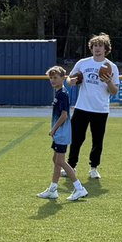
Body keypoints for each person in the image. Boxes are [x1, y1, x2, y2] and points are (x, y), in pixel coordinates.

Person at [66, 33, 120, 181]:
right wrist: (71, 81)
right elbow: (70, 78)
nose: (97, 48)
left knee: (97, 140)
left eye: (100, 46)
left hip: (100, 109)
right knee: (76, 138)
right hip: (82, 107)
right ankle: (71, 166)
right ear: (91, 48)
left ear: (106, 49)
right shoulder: (83, 63)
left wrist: (109, 82)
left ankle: (94, 168)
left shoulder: (111, 67)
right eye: (95, 46)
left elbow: (114, 91)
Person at [37, 65, 87, 201]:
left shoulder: (63, 94)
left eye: (55, 78)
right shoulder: (58, 93)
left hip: (62, 133)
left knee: (60, 161)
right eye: (51, 78)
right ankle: (53, 189)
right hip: (59, 133)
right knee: (56, 160)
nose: (52, 80)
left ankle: (79, 188)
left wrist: (54, 129)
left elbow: (64, 115)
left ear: (63, 78)